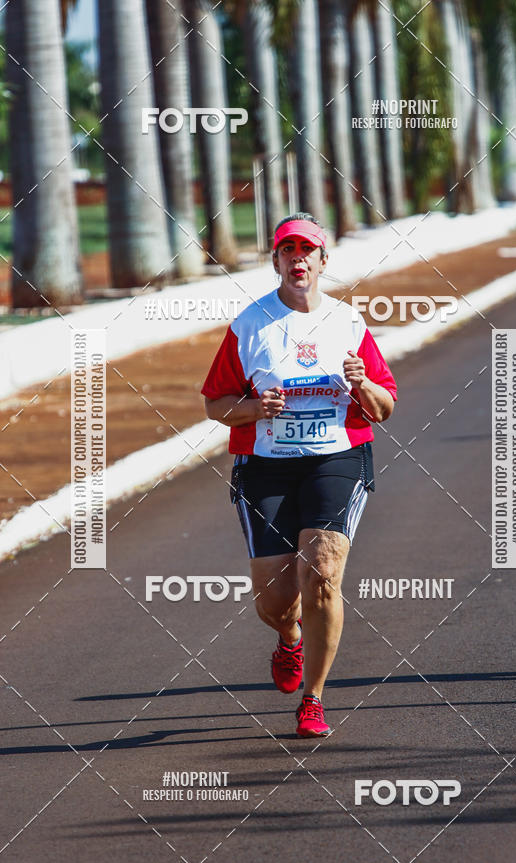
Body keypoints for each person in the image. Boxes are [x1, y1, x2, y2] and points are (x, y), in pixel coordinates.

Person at [201, 213, 397, 738]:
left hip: (336, 457)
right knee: (274, 601)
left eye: (307, 251)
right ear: (276, 261)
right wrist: (253, 408)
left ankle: (313, 699)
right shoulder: (250, 325)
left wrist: (361, 384)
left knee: (322, 576)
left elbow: (384, 407)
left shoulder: (349, 324)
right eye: (288, 251)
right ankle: (288, 637)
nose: (298, 260)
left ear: (323, 261)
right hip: (265, 466)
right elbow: (214, 405)